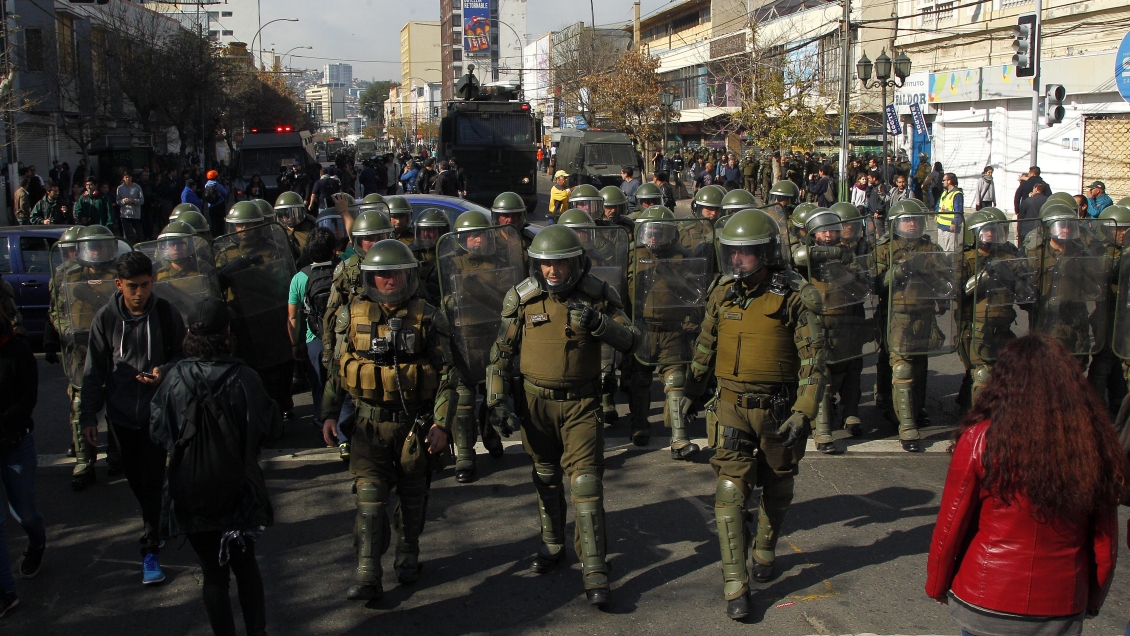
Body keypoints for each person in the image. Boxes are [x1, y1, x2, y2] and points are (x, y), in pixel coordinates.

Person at [926, 335, 1124, 636]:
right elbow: (1105, 540)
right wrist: (1092, 599)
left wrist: (937, 584)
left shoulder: (980, 439)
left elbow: (950, 524)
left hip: (986, 595)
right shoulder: (1093, 444)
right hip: (1061, 601)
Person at [484, 225, 640, 606]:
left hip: (581, 406)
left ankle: (595, 568)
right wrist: (497, 402)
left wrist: (599, 324)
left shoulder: (598, 296)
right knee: (546, 477)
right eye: (545, 265)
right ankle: (552, 545)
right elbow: (500, 356)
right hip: (535, 404)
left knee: (586, 484)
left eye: (560, 264)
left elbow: (633, 339)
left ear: (577, 263)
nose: (552, 272)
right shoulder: (522, 299)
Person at [684, 208, 826, 619]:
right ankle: (735, 584)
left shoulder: (796, 296)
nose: (737, 260)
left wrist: (804, 411)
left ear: (767, 251)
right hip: (729, 406)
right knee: (730, 490)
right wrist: (690, 392)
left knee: (778, 485)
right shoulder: (722, 291)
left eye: (746, 253)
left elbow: (814, 362)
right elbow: (705, 347)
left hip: (778, 410)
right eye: (732, 252)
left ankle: (765, 547)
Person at [320, 240, 455, 601]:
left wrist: (441, 424)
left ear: (407, 275)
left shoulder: (428, 316)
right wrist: (329, 414)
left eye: (395, 273)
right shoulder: (352, 315)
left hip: (413, 425)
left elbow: (448, 376)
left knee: (413, 496)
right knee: (369, 498)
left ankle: (408, 554)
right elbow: (337, 370)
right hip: (368, 426)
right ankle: (367, 572)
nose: (388, 280)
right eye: (380, 274)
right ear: (369, 278)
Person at [151, 296, 282, 636]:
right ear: (227, 331)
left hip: (190, 491)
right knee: (245, 566)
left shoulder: (173, 379)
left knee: (212, 574)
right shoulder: (245, 377)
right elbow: (268, 428)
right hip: (239, 488)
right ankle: (257, 632)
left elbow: (158, 430)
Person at [81, 251, 186, 585]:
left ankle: (150, 547)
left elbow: (184, 356)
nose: (140, 293)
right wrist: (87, 415)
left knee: (152, 480)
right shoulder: (106, 319)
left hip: (156, 416)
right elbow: (93, 371)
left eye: (145, 285)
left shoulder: (167, 315)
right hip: (121, 417)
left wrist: (164, 372)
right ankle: (156, 516)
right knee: (137, 480)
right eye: (132, 286)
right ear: (119, 285)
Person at [874, 200, 957, 451]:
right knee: (901, 368)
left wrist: (936, 280)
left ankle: (916, 408)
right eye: (906, 220)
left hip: (925, 316)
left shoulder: (931, 248)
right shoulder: (885, 249)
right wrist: (899, 271)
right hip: (897, 316)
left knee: (919, 366)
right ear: (896, 224)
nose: (911, 224)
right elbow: (876, 284)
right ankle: (905, 425)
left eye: (915, 220)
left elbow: (947, 280)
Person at [0, 309, 45, 619]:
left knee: (23, 512)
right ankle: (6, 591)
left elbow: (27, 400)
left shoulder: (18, 349)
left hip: (14, 444)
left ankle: (36, 542)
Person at [289, 228, 339, 441]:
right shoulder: (343, 268)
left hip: (314, 339)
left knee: (319, 384)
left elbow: (293, 317)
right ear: (334, 250)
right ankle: (344, 427)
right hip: (341, 336)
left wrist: (295, 344)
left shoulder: (300, 278)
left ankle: (323, 425)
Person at [937, 173, 964, 252]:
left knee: (950, 252)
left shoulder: (957, 194)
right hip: (941, 226)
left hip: (950, 228)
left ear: (949, 181)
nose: (942, 182)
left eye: (944, 180)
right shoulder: (945, 192)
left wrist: (955, 222)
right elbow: (939, 205)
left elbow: (958, 211)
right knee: (941, 251)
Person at [116, 173, 144, 243]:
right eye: (126, 177)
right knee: (126, 232)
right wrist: (124, 201)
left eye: (129, 177)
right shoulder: (120, 188)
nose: (127, 179)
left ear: (131, 178)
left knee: (137, 232)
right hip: (125, 214)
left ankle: (138, 247)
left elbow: (141, 200)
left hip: (135, 214)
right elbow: (118, 201)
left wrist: (133, 201)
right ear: (124, 178)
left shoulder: (137, 187)